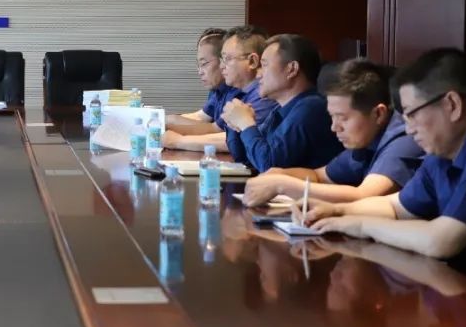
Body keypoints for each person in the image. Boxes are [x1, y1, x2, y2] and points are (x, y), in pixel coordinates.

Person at [306, 48, 466, 306]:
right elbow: (396, 206)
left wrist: (359, 225)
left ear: (452, 105)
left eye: (412, 114)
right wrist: (337, 211)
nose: (409, 129)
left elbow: (441, 240)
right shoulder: (443, 152)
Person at [243, 59, 423, 205]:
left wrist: (282, 185)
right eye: (332, 117)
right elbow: (319, 176)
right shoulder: (366, 137)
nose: (334, 127)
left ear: (378, 114)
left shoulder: (405, 138)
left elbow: (364, 196)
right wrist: (281, 173)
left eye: (343, 118)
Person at [222, 34, 343, 172]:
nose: (258, 74)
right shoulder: (281, 109)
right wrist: (236, 125)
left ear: (292, 69)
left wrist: (246, 124)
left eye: (264, 65)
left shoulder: (310, 108)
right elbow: (244, 159)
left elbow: (269, 166)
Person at [163, 24, 277, 152]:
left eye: (227, 59)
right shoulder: (245, 92)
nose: (222, 66)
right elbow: (217, 128)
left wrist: (178, 141)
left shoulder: (262, 96)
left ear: (252, 61)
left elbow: (235, 141)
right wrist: (165, 126)